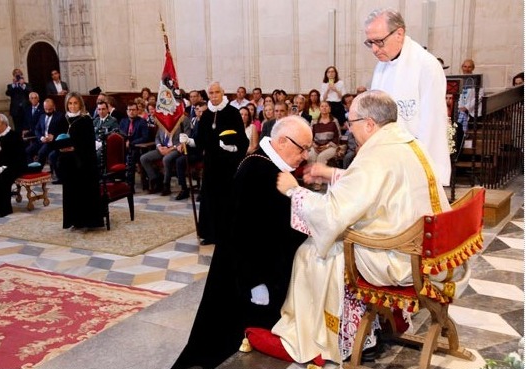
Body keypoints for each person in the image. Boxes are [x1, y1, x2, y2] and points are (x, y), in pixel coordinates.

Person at [267, 90, 470, 366]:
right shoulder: (405, 142)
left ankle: (340, 339)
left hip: (400, 260)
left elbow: (332, 213)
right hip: (429, 250)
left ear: (370, 124)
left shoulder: (376, 156)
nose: (349, 130)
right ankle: (370, 333)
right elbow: (370, 184)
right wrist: (331, 173)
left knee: (315, 254)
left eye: (351, 123)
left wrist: (295, 193)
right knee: (332, 243)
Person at [170, 115, 311, 369]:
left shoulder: (272, 165)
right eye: (303, 148)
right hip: (246, 280)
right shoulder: (257, 170)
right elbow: (242, 232)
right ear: (282, 141)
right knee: (227, 344)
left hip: (267, 272)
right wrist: (255, 282)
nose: (306, 155)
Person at [366, 8, 451, 186]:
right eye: (370, 42)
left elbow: (432, 124)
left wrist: (420, 172)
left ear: (399, 33)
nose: (374, 49)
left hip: (416, 165)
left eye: (379, 41)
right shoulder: (381, 66)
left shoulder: (426, 65)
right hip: (388, 161)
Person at [193, 81, 248, 245]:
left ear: (222, 93)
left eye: (216, 92)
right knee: (210, 198)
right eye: (211, 93)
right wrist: (189, 141)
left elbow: (242, 139)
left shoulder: (232, 112)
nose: (214, 96)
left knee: (226, 198)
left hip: (228, 164)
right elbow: (201, 140)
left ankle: (227, 233)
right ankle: (210, 233)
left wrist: (233, 148)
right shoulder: (206, 114)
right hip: (211, 164)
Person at [56, 92, 105, 230]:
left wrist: (74, 148)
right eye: (70, 103)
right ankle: (74, 220)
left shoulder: (86, 120)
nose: (72, 106)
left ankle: (88, 221)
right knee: (71, 192)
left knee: (84, 192)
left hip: (84, 163)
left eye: (75, 103)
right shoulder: (63, 119)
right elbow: (58, 138)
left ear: (80, 104)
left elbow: (89, 143)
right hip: (68, 162)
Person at [139, 125, 181, 196]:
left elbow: (182, 141)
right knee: (143, 158)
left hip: (174, 149)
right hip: (162, 149)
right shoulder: (162, 125)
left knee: (166, 159)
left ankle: (166, 185)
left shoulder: (179, 126)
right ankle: (156, 180)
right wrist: (159, 146)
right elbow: (157, 137)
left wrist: (170, 149)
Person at [176, 101, 205, 201]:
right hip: (193, 149)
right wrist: (184, 144)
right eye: (198, 110)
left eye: (203, 111)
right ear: (195, 110)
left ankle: (203, 191)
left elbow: (200, 140)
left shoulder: (206, 123)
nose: (200, 113)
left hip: (202, 152)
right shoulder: (195, 120)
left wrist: (188, 142)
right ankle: (184, 189)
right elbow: (192, 136)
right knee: (179, 161)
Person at [5, 68, 32, 132]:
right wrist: (14, 84)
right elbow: (7, 93)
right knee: (17, 128)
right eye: (15, 74)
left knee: (26, 127)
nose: (17, 75)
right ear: (13, 75)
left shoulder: (27, 85)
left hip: (25, 108)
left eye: (19, 73)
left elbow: (30, 92)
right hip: (15, 110)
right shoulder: (10, 86)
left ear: (21, 75)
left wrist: (22, 85)